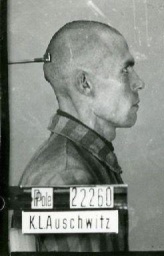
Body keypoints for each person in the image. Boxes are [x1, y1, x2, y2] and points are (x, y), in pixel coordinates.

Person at [10, 20, 144, 252]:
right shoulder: (70, 177)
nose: (139, 82)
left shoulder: (78, 160)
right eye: (125, 70)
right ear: (85, 83)